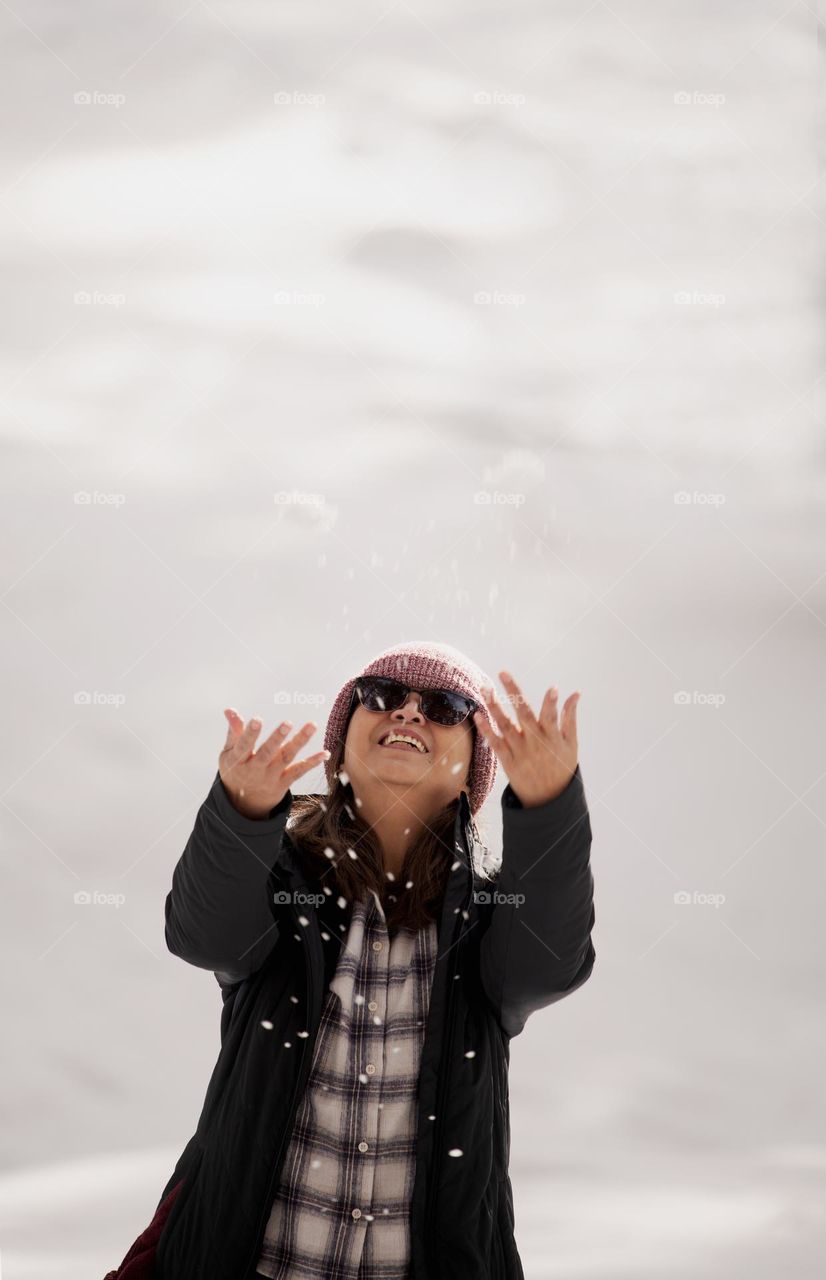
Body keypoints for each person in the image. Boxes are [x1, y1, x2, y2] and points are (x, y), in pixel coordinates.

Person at [108, 640, 595, 1280]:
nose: (409, 712)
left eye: (445, 707)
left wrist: (549, 808)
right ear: (342, 742)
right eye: (382, 695)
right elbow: (204, 935)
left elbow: (549, 963)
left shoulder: (488, 911)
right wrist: (242, 812)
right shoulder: (282, 878)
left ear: (477, 762)